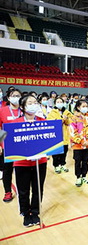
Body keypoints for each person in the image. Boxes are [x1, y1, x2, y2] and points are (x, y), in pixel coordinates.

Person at [13, 95, 47, 227]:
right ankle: (26, 214)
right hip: (22, 162)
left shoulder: (43, 121)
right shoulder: (14, 123)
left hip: (40, 161)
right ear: (23, 107)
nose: (34, 104)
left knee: (38, 188)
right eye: (30, 103)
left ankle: (35, 211)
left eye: (35, 102)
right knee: (23, 190)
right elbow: (9, 144)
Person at [0, 88, 22, 202]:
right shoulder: (2, 110)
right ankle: (7, 191)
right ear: (8, 98)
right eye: (13, 95)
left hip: (22, 145)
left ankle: (21, 189)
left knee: (21, 170)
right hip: (7, 146)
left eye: (18, 95)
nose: (16, 97)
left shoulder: (24, 110)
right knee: (7, 170)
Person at [70, 100, 88, 187]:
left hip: (87, 145)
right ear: (78, 107)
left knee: (85, 161)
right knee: (77, 161)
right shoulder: (73, 118)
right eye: (83, 106)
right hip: (77, 145)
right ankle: (78, 177)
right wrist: (81, 141)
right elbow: (72, 131)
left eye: (86, 106)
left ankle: (84, 176)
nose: (85, 108)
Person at [47, 97, 73, 174]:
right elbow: (52, 123)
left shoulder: (67, 112)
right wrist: (62, 118)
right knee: (56, 152)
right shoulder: (52, 112)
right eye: (57, 102)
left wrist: (67, 119)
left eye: (61, 102)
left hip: (65, 135)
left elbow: (71, 121)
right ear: (55, 104)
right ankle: (56, 165)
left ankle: (63, 164)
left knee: (64, 151)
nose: (59, 103)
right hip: (56, 135)